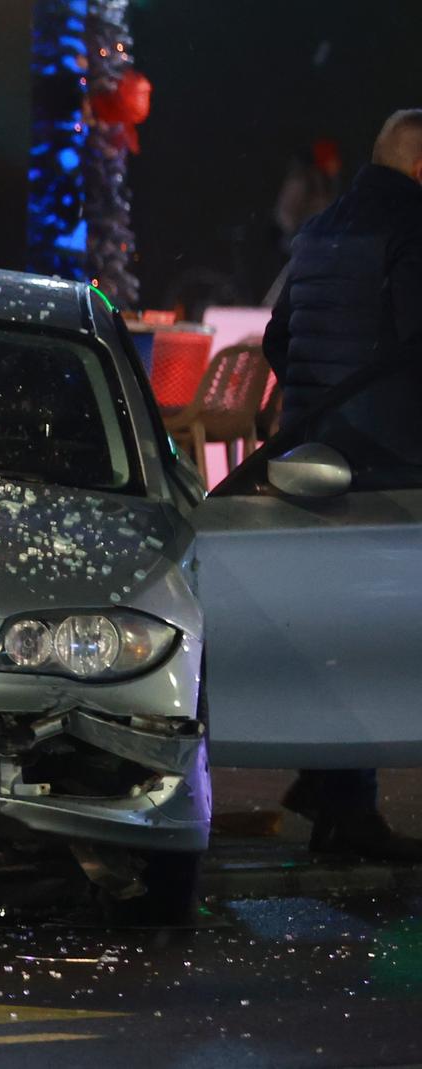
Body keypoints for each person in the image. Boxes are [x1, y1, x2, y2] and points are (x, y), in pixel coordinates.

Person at [265, 109, 422, 862]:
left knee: (332, 628)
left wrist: (315, 400)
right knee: (378, 632)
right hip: (388, 459)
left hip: (312, 455)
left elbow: (278, 336)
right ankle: (344, 798)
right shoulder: (413, 228)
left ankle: (335, 787)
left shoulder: (322, 228)